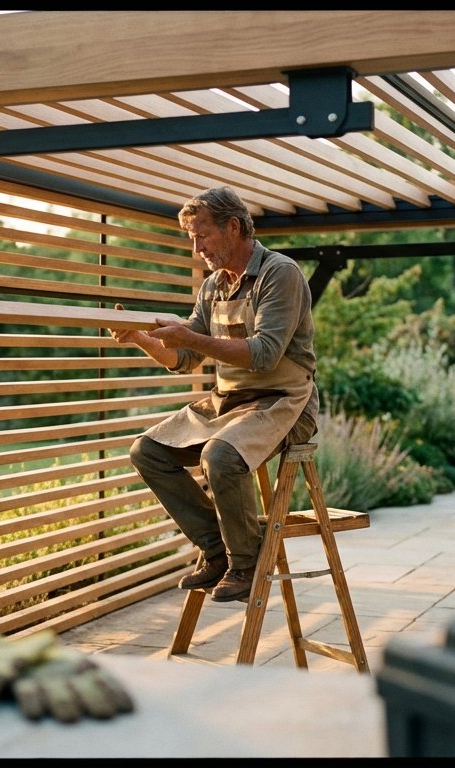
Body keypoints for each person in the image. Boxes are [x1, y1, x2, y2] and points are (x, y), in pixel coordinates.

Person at [109, 186, 318, 603]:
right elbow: (185, 358)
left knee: (219, 456)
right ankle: (217, 549)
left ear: (233, 227)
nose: (196, 247)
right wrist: (139, 339)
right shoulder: (212, 287)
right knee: (147, 452)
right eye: (191, 238)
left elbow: (264, 354)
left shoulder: (281, 273)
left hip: (285, 403)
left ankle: (246, 561)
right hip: (231, 403)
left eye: (202, 235)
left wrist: (190, 337)